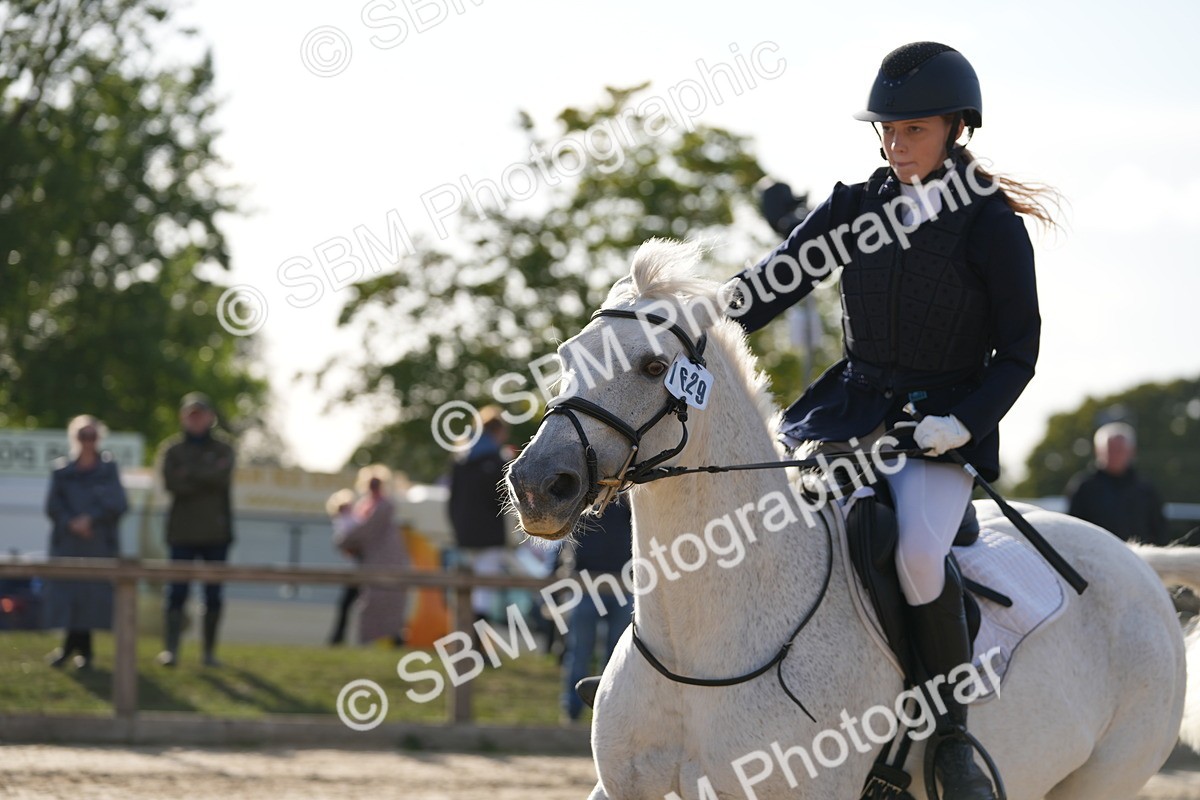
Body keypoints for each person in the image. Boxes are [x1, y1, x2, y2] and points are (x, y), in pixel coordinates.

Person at [723, 42, 1057, 799]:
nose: (894, 145)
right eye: (887, 131)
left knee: (913, 556)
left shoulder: (991, 226)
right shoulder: (855, 205)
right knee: (754, 523)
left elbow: (1018, 353)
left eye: (912, 131)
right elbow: (767, 287)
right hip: (844, 414)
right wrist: (687, 317)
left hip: (932, 434)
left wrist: (962, 425)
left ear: (954, 129)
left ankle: (951, 738)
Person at [43, 415, 129, 669]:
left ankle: (78, 650)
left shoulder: (108, 470)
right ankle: (76, 649)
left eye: (91, 435)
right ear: (74, 437)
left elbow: (119, 503)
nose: (87, 441)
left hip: (97, 543)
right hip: (68, 543)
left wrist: (90, 519)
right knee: (69, 594)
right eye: (82, 435)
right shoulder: (61, 471)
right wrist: (71, 522)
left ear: (99, 438)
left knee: (91, 596)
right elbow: (53, 506)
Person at [157, 392, 236, 667]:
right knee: (176, 593)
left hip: (216, 534)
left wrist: (188, 474)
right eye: (191, 414)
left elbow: (220, 478)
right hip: (182, 533)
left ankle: (209, 653)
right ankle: (171, 651)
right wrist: (202, 475)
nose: (196, 419)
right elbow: (171, 483)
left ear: (210, 417)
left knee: (213, 594)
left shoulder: (224, 448)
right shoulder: (172, 450)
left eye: (200, 414)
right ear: (183, 418)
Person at [560, 495, 634, 723]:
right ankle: (573, 712)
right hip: (588, 584)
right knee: (580, 652)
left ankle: (608, 712)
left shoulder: (628, 499)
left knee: (615, 656)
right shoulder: (583, 495)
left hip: (619, 585)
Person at [448, 406, 514, 622]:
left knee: (465, 591)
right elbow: (501, 500)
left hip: (463, 534)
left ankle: (469, 644)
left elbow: (452, 500)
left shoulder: (461, 461)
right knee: (483, 593)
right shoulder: (497, 462)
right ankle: (476, 647)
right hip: (489, 535)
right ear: (497, 431)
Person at [334, 465, 410, 645]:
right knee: (358, 602)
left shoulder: (384, 506)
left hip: (382, 565)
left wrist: (344, 540)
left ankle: (389, 640)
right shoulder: (365, 506)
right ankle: (340, 638)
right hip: (368, 564)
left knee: (382, 604)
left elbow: (366, 531)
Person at [1067, 422, 1168, 545]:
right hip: (1095, 558)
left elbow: (1159, 530)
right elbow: (1073, 530)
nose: (1114, 455)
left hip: (1137, 559)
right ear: (1098, 451)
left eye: (1119, 450)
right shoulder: (1084, 487)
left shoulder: (1146, 490)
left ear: (1131, 451)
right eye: (1110, 449)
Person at [326, 487, 362, 645]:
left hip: (358, 571)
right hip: (357, 570)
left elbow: (346, 546)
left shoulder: (346, 523)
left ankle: (338, 638)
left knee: (346, 606)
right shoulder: (354, 521)